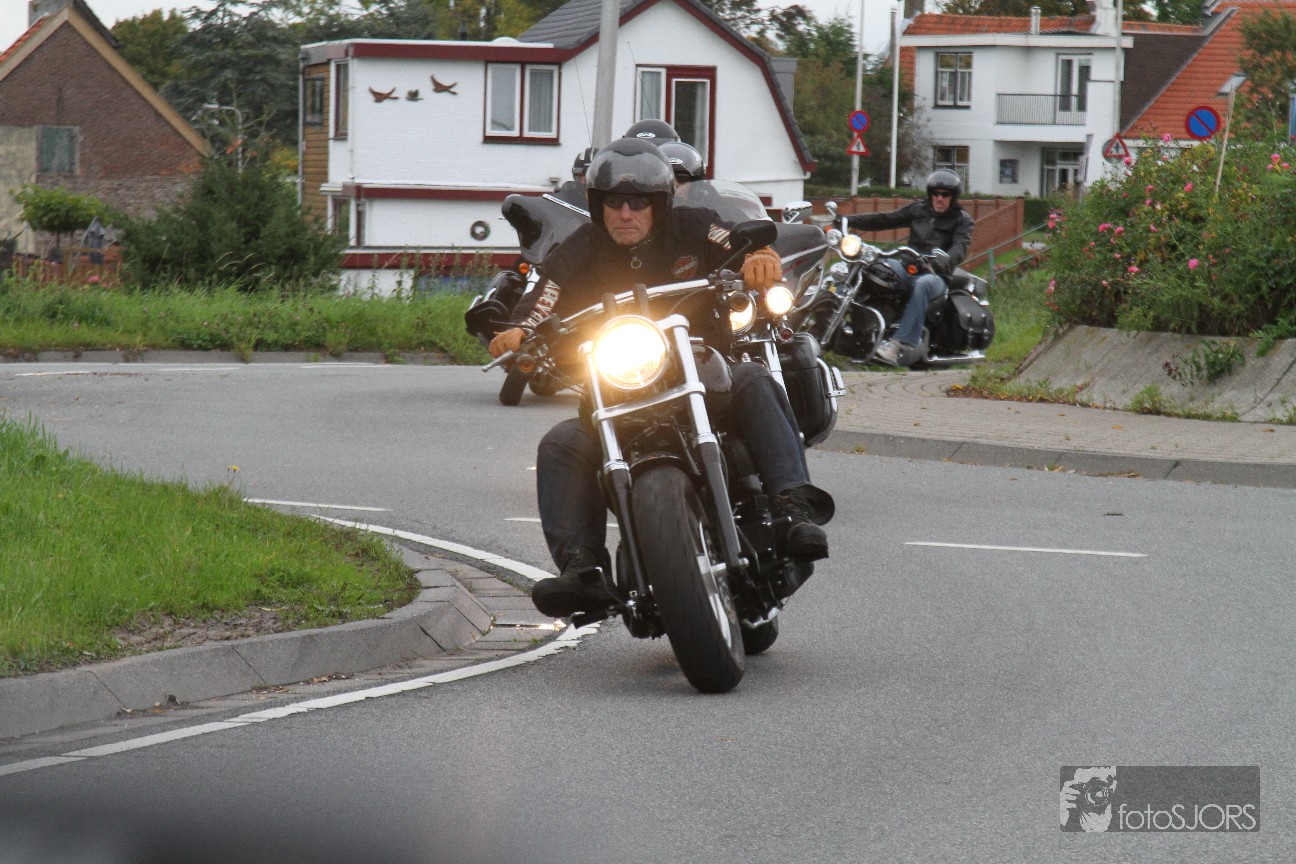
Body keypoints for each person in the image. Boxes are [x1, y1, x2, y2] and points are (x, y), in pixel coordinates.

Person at [489, 137, 834, 618]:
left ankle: (791, 506)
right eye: (614, 202)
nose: (625, 214)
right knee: (562, 443)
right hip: (618, 383)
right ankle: (582, 569)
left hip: (701, 367)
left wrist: (762, 256)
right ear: (598, 204)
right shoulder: (582, 246)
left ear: (659, 203)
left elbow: (735, 242)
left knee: (753, 378)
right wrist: (520, 327)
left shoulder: (693, 225)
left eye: (638, 203)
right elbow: (546, 290)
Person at [843, 169, 974, 366]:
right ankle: (855, 328)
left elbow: (960, 247)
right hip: (907, 268)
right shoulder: (919, 210)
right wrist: (848, 220)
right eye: (935, 193)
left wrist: (945, 260)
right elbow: (885, 219)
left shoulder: (962, 219)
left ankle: (898, 346)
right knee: (873, 269)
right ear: (930, 193)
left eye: (945, 194)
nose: (939, 198)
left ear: (953, 196)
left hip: (936, 276)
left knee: (923, 284)